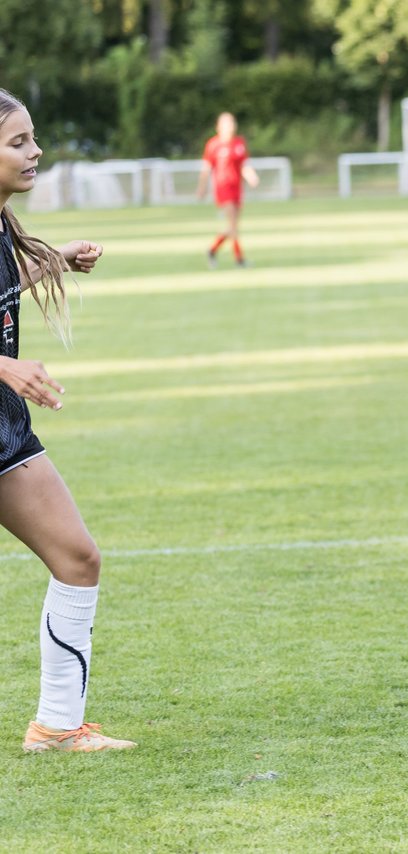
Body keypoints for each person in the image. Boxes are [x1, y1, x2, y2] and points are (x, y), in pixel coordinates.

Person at [0, 89, 135, 752]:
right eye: (18, 142)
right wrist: (5, 367)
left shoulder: (0, 222)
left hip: (4, 434)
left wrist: (51, 263)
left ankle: (56, 727)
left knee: (78, 559)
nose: (36, 152)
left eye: (33, 139)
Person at [196, 112, 259, 268]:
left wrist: (251, 177)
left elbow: (244, 165)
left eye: (232, 123)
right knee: (232, 226)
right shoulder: (213, 145)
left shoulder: (239, 143)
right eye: (227, 123)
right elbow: (206, 169)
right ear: (219, 127)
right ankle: (239, 260)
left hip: (237, 188)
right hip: (223, 189)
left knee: (233, 227)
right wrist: (202, 188)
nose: (231, 126)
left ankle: (212, 250)